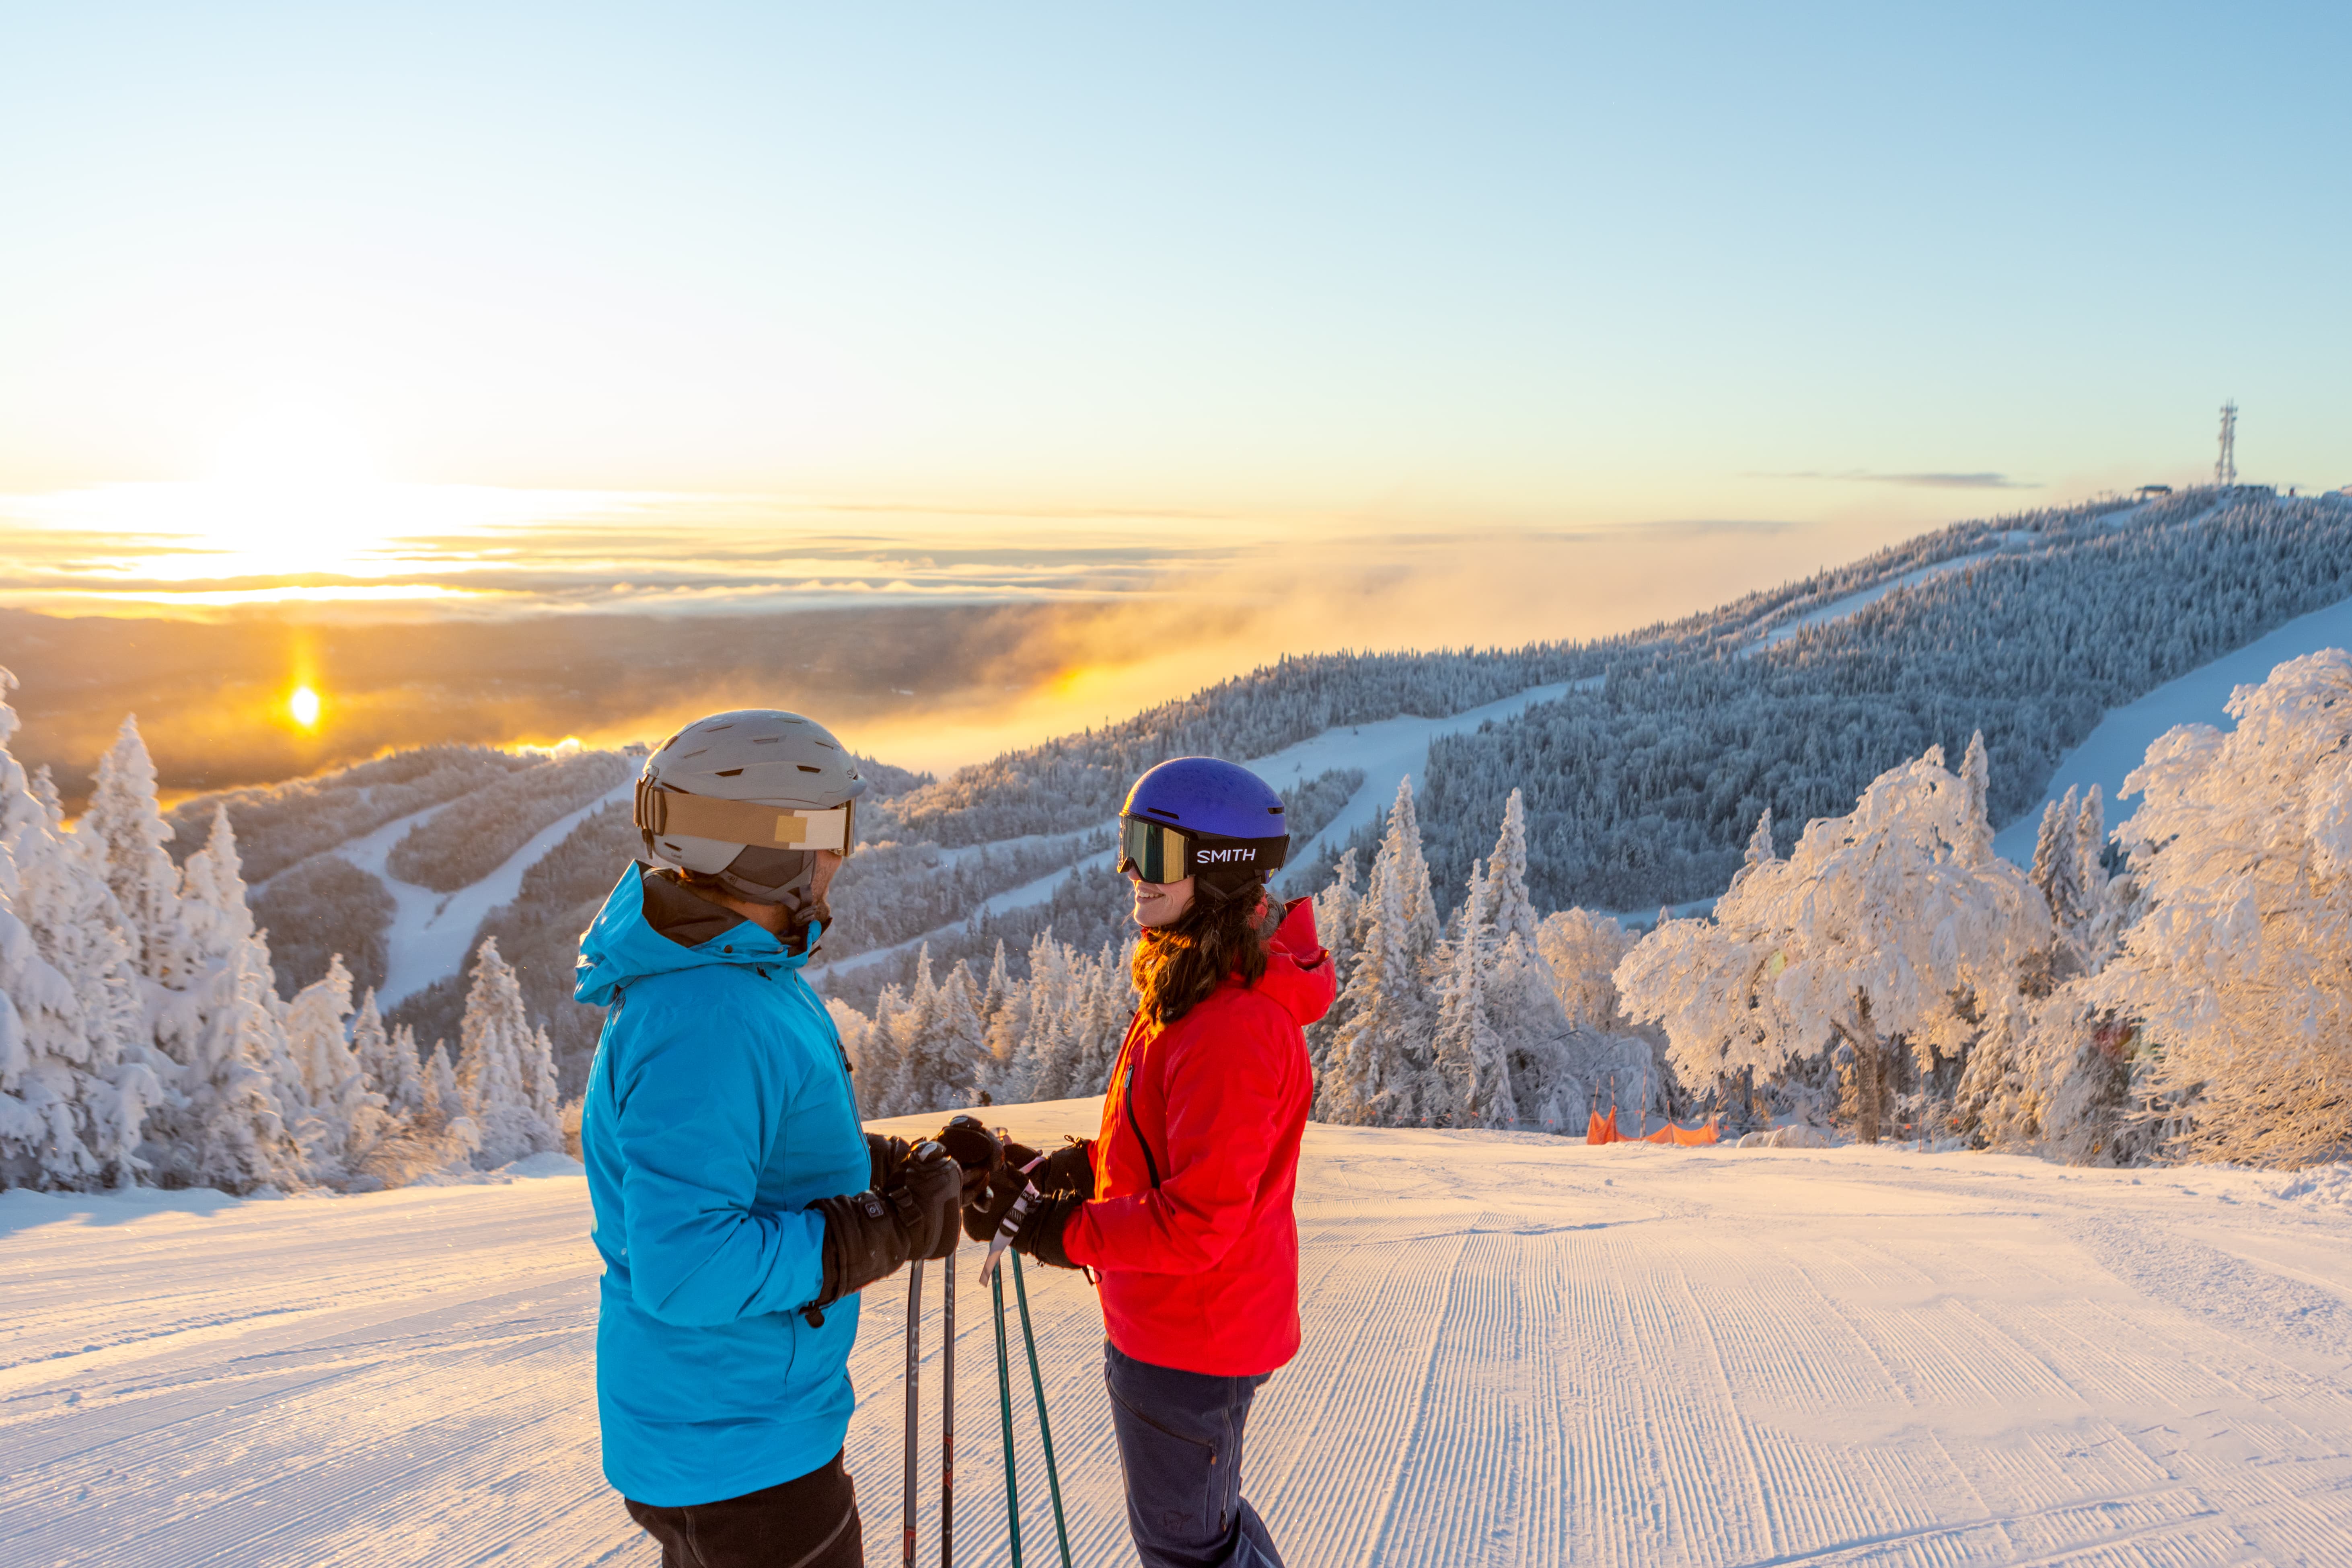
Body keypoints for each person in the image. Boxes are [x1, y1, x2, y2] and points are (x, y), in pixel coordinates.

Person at [576, 709, 964, 1568]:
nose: (842, 855)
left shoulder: (736, 975)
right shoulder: (708, 1014)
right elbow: (690, 1269)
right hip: (738, 1450)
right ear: (764, 848)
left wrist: (890, 1168)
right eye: (830, 830)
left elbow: (761, 1148)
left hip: (737, 1428)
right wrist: (877, 1230)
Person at [969, 756, 1333, 1568]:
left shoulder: (1231, 1023)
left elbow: (1199, 1222)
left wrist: (1061, 1232)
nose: (1127, 869)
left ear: (1220, 870)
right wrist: (1075, 1169)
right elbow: (1169, 1147)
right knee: (1205, 1527)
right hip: (1185, 1325)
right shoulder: (1199, 985)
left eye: (1156, 850)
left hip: (1188, 1339)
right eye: (1129, 841)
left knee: (1186, 1547)